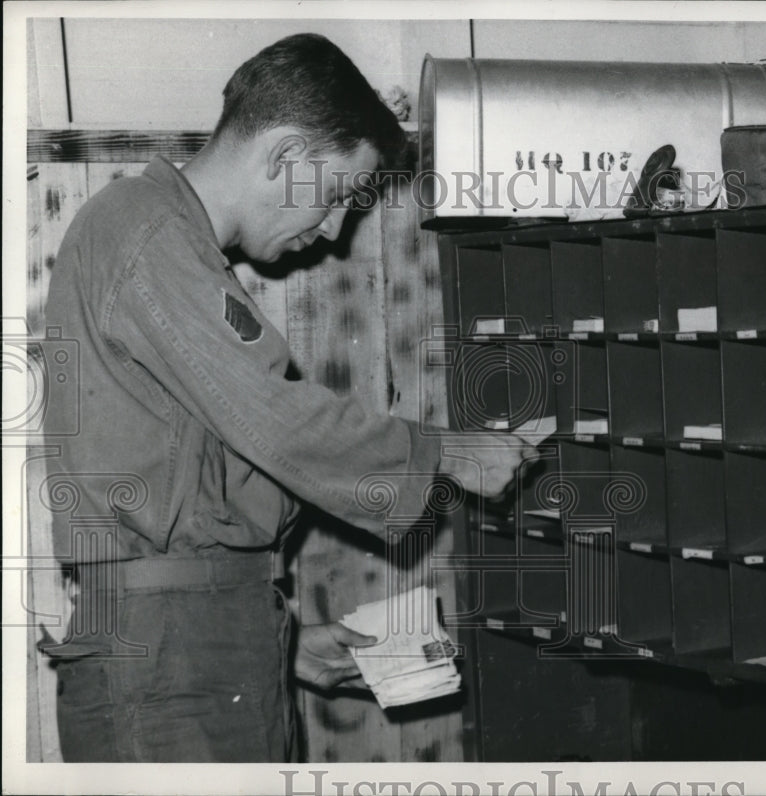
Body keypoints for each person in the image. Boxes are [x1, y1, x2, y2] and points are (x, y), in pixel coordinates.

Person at [40, 32, 534, 763]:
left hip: (202, 644)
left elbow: (207, 481)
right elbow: (273, 419)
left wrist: (287, 641)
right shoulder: (142, 229)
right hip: (170, 660)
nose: (333, 231)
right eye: (335, 195)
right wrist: (446, 449)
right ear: (283, 155)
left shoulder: (170, 248)